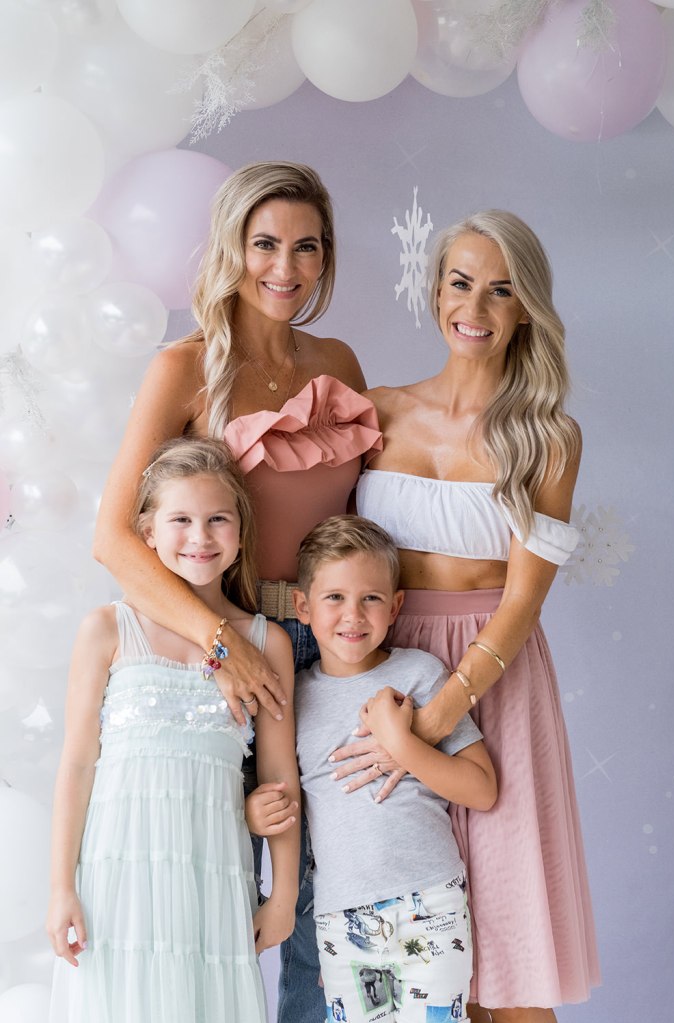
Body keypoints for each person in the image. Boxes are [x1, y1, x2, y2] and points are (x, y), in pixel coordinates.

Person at [92, 161, 380, 1023]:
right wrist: (223, 644)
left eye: (307, 247)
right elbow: (114, 536)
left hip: (335, 651)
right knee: (218, 876)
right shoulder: (183, 368)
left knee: (329, 886)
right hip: (232, 645)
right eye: (264, 244)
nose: (286, 267)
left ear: (327, 256)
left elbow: (359, 521)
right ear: (230, 247)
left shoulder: (339, 362)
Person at [332, 211, 600, 1022]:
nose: (475, 307)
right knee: (416, 950)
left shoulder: (548, 436)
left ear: (526, 308)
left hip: (495, 678)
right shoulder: (376, 412)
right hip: (385, 671)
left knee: (509, 951)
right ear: (436, 290)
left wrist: (444, 709)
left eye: (501, 290)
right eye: (460, 282)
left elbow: (523, 598)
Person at [46, 437, 300, 1023]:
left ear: (241, 534)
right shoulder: (109, 630)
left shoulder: (267, 644)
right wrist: (61, 888)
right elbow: (77, 765)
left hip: (212, 874)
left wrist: (283, 894)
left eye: (218, 519)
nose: (200, 537)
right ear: (148, 533)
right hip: (117, 875)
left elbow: (279, 777)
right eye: (180, 519)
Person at [290, 514, 497, 1021]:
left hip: (430, 902)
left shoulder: (420, 673)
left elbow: (481, 789)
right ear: (303, 607)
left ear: (396, 606)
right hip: (343, 916)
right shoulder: (293, 698)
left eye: (371, 598)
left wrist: (402, 744)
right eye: (334, 597)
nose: (353, 615)